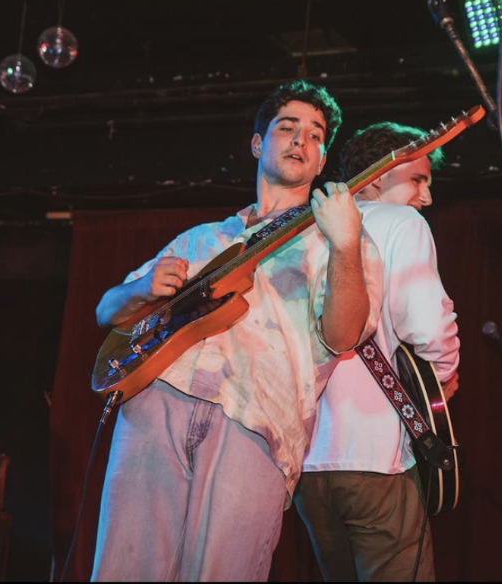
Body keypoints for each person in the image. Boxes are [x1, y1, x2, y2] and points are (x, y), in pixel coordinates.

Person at [90, 80, 384, 581]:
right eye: (287, 127)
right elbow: (106, 312)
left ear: (321, 162)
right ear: (257, 144)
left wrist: (345, 245)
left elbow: (343, 335)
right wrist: (142, 289)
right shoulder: (202, 237)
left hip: (256, 421)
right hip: (157, 400)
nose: (300, 140)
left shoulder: (339, 237)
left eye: (315, 136)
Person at [294, 122, 460, 582]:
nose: (425, 197)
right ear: (375, 177)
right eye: (418, 180)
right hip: (374, 455)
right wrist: (443, 378)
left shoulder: (302, 229)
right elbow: (427, 324)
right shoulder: (402, 223)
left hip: (305, 465)